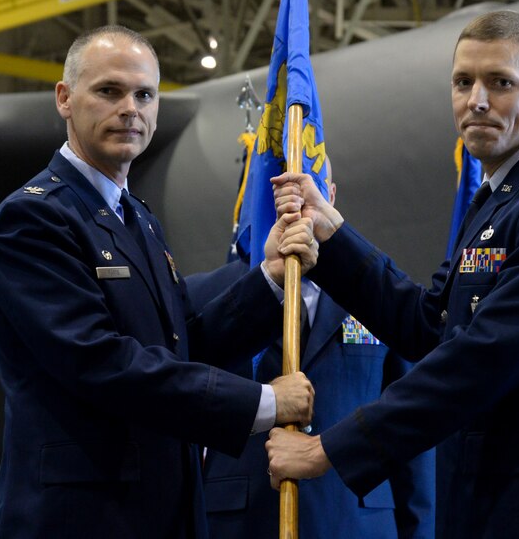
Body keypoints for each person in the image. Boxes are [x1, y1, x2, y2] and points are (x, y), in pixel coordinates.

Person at [266, 10, 519, 538]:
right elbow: (428, 325)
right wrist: (331, 235)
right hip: (480, 504)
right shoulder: (500, 199)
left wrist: (329, 447)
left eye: (501, 83)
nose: (477, 100)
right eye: (463, 82)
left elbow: (484, 356)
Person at [0, 25, 317, 539]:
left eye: (145, 94)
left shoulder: (138, 220)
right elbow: (102, 364)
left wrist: (269, 279)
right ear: (65, 99)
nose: (130, 108)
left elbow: (183, 341)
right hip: (81, 521)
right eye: (109, 91)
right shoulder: (31, 221)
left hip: (164, 514)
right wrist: (262, 403)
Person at [186, 158, 435, 539]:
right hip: (240, 522)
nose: (292, 204)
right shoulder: (203, 296)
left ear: (330, 196)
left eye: (307, 191)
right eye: (279, 192)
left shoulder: (378, 292)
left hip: (356, 520)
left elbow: (413, 427)